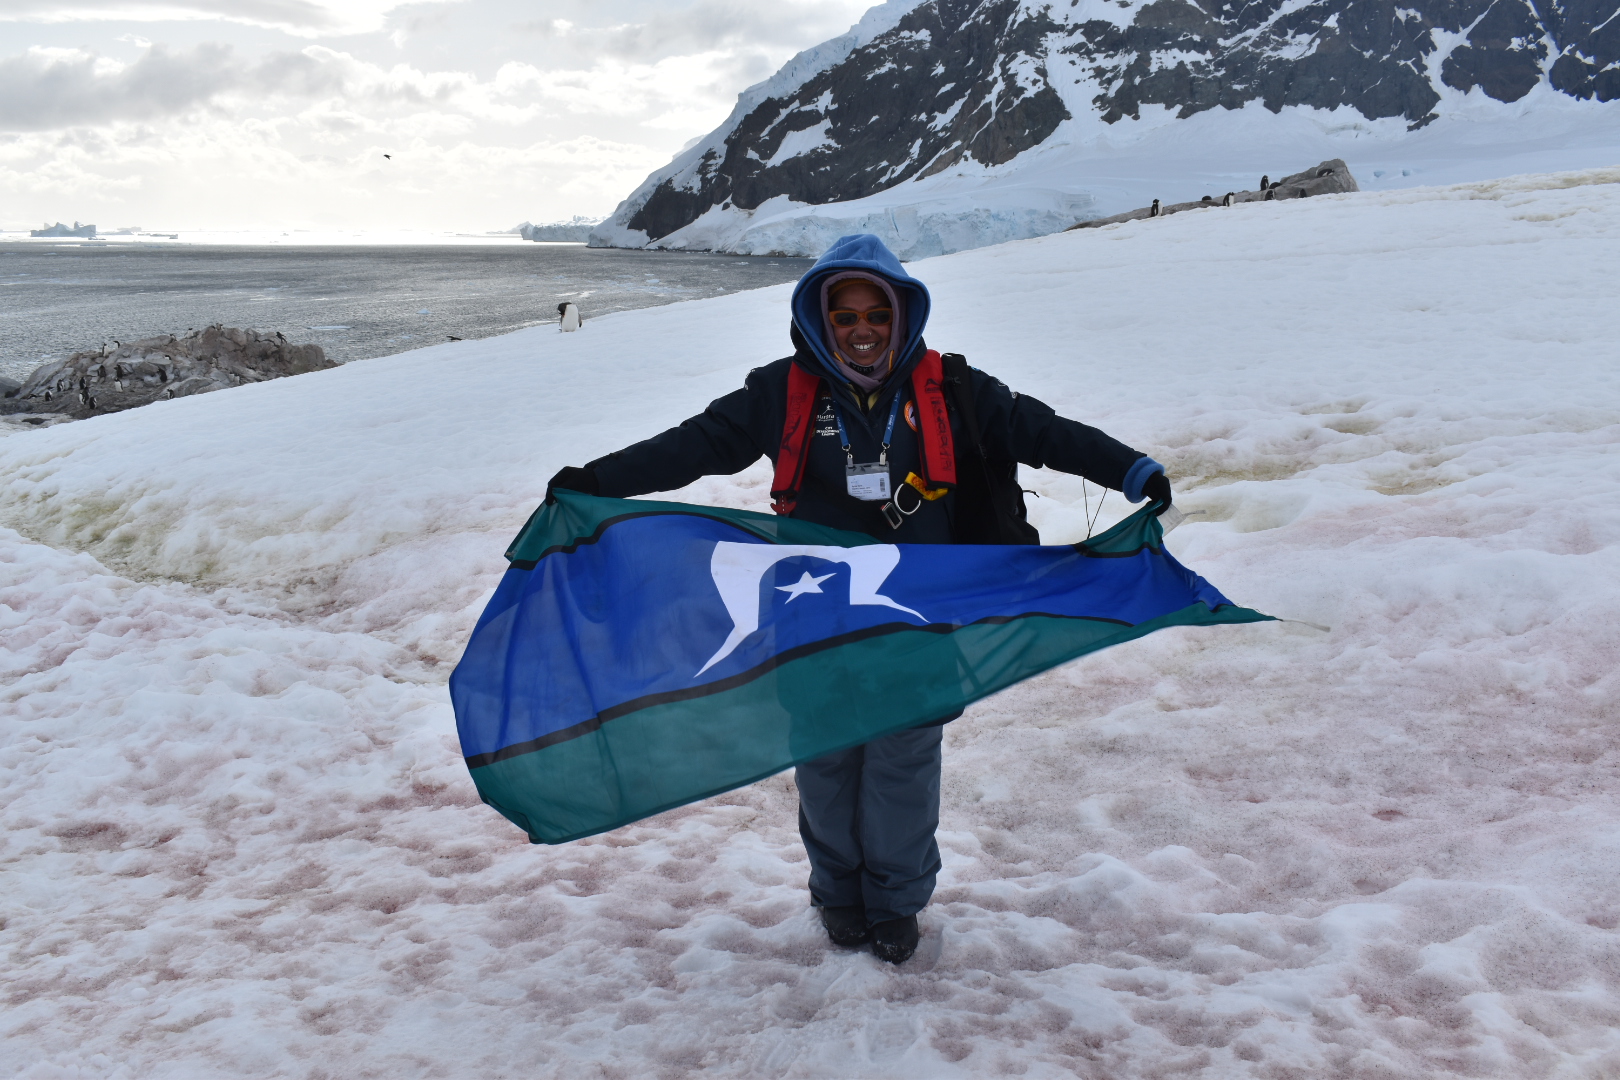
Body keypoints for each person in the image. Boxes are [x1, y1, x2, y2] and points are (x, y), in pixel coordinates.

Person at [547, 234, 1170, 964]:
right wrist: (597, 480)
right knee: (828, 756)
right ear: (820, 320)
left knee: (903, 762)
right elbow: (693, 446)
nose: (862, 329)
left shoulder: (958, 390)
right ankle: (839, 894)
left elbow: (1046, 433)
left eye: (877, 312)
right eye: (845, 316)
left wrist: (1132, 469)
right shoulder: (778, 392)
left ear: (904, 314)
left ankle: (896, 901)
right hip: (814, 618)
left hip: (915, 619)